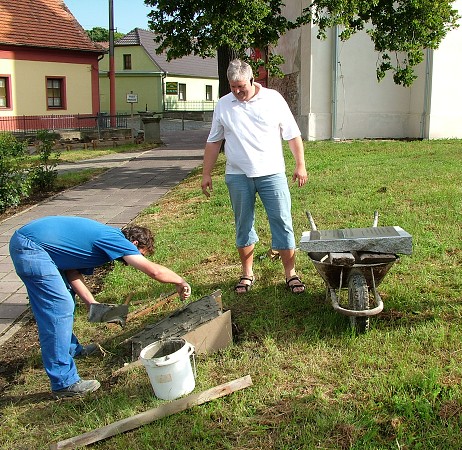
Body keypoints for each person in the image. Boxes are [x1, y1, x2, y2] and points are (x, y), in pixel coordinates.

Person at [9, 216, 192, 398]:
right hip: (32, 247)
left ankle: (72, 350)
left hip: (34, 244)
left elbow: (72, 271)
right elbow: (154, 271)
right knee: (59, 307)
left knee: (65, 301)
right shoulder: (116, 241)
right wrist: (180, 281)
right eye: (140, 253)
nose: (136, 259)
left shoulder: (107, 239)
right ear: (134, 243)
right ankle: (64, 383)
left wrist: (93, 304)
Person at [201, 59, 308, 294]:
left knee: (281, 221)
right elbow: (214, 141)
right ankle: (247, 273)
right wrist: (206, 173)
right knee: (243, 225)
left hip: (272, 173)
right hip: (237, 175)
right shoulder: (223, 105)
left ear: (252, 80)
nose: (238, 92)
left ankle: (291, 273)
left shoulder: (273, 99)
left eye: (242, 86)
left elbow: (292, 134)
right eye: (233, 87)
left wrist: (300, 164)